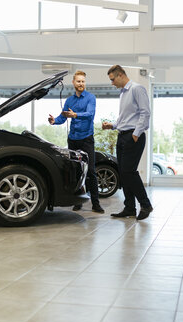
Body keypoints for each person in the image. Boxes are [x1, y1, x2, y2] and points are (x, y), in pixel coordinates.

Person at [48, 70, 104, 213]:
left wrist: (76, 114)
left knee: (90, 171)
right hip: (73, 139)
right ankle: (77, 202)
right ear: (73, 83)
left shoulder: (90, 98)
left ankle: (96, 204)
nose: (81, 84)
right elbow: (63, 117)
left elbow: (90, 114)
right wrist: (54, 121)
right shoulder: (69, 101)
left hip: (86, 139)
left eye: (83, 81)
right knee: (76, 171)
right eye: (78, 81)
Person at [102, 65, 153, 220]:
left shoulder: (137, 89)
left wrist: (136, 134)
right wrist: (112, 125)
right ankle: (129, 207)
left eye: (112, 79)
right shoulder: (123, 93)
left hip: (133, 136)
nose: (112, 83)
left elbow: (145, 112)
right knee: (123, 174)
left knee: (129, 172)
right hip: (122, 135)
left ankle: (145, 204)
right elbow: (125, 117)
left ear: (121, 75)